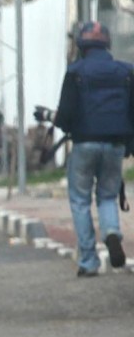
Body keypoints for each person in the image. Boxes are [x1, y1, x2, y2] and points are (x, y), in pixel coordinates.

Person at [53, 21, 130, 277]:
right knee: (108, 196)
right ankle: (111, 232)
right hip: (115, 144)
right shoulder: (126, 72)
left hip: (84, 143)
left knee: (80, 200)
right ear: (106, 43)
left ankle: (88, 261)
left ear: (81, 45)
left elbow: (64, 116)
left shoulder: (76, 72)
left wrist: (63, 124)